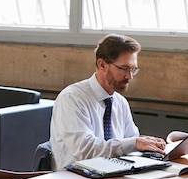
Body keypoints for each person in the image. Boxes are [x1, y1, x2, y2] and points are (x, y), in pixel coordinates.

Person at [49, 34, 166, 171]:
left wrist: (149, 146)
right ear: (102, 65)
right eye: (124, 68)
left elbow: (131, 142)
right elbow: (85, 151)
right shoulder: (72, 99)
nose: (130, 76)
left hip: (113, 176)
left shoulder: (120, 102)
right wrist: (134, 143)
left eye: (133, 69)